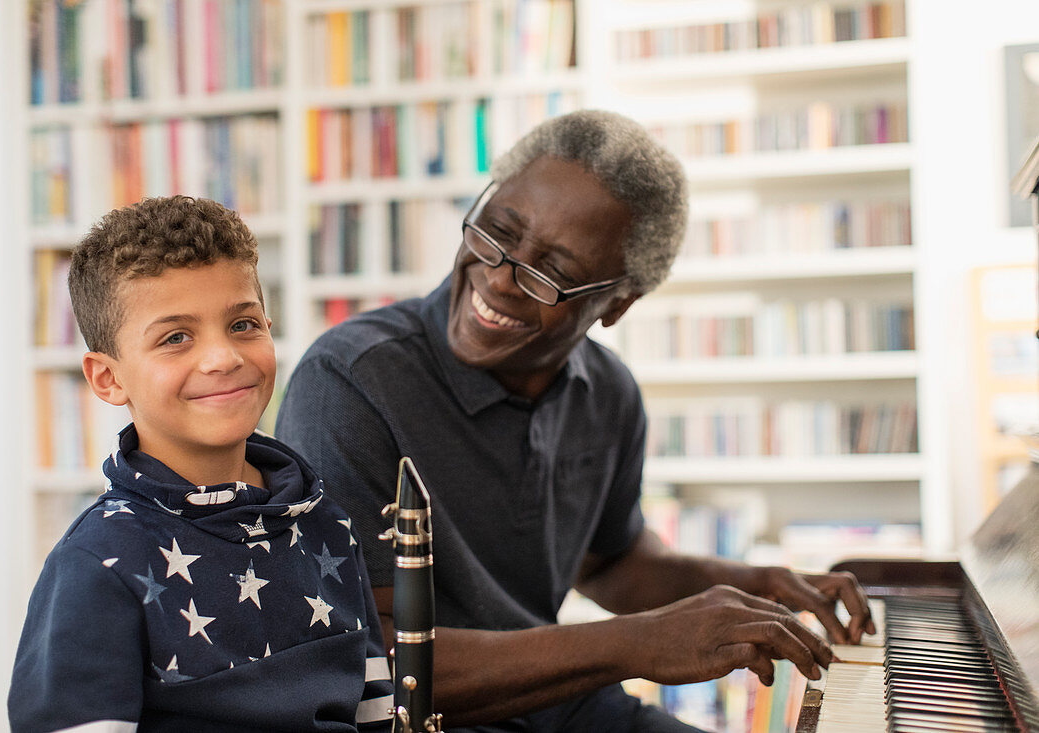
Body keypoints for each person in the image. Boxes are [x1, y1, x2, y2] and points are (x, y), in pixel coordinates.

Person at [274, 110, 875, 732]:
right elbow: (373, 667)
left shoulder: (608, 393)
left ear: (618, 304)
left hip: (557, 707)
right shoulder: (349, 381)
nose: (500, 278)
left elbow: (613, 565)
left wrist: (760, 587)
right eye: (496, 232)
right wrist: (637, 643)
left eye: (553, 273)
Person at [9, 196, 394, 732]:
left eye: (243, 325)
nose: (224, 358)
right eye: (175, 338)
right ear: (108, 379)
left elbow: (375, 712)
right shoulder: (97, 564)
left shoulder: (328, 525)